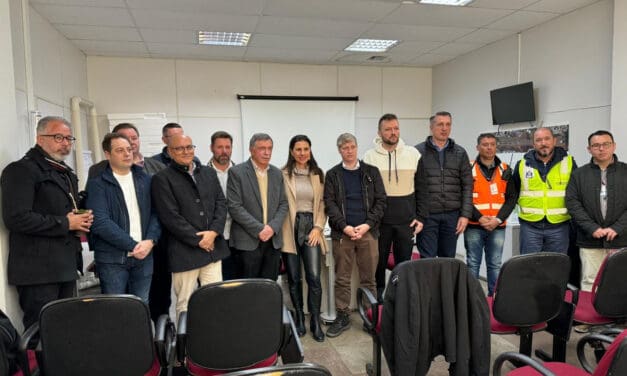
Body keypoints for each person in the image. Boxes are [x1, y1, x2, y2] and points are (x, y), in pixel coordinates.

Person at [1, 116, 93, 329]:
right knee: (41, 330)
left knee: (63, 330)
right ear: (39, 138)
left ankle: (61, 364)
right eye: (58, 137)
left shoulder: (64, 172)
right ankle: (38, 364)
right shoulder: (21, 170)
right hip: (38, 271)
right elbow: (16, 217)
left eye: (69, 138)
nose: (66, 144)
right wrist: (65, 223)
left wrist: (80, 218)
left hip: (66, 265)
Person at [151, 134, 229, 315]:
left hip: (212, 249)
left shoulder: (208, 173)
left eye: (189, 147)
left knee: (215, 300)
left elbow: (221, 204)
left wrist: (214, 232)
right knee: (185, 305)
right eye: (179, 148)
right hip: (184, 253)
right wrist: (199, 239)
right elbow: (170, 216)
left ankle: (212, 341)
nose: (186, 151)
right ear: (170, 151)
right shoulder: (162, 178)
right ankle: (186, 343)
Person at [324, 133, 386, 338]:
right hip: (343, 234)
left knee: (369, 278)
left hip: (368, 233)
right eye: (344, 148)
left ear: (357, 148)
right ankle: (343, 316)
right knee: (341, 277)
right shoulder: (332, 175)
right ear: (339, 151)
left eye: (351, 147)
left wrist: (367, 225)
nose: (348, 151)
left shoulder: (371, 172)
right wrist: (345, 227)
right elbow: (330, 204)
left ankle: (371, 316)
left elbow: (381, 201)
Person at [85, 133, 160, 303]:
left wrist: (150, 241)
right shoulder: (98, 184)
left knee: (141, 306)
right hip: (112, 260)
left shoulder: (146, 180)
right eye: (120, 150)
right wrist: (133, 245)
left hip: (144, 257)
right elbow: (101, 222)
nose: (127, 154)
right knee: (116, 309)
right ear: (107, 154)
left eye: (129, 149)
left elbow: (157, 214)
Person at [363, 113, 427, 299]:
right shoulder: (369, 157)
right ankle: (379, 301)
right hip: (380, 222)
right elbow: (367, 192)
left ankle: (401, 298)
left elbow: (422, 188)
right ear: (379, 132)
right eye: (388, 129)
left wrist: (421, 217)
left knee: (403, 264)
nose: (393, 133)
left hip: (406, 221)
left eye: (396, 128)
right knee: (379, 263)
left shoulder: (413, 154)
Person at [566, 130, 627, 291]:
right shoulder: (578, 174)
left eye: (606, 144)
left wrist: (617, 228)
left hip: (621, 240)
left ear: (614, 146)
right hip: (590, 240)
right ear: (589, 149)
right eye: (596, 145)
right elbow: (572, 203)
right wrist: (592, 228)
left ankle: (618, 316)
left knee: (620, 280)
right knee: (590, 281)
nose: (601, 148)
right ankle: (590, 316)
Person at [280, 135, 327, 342]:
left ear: (310, 150)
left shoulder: (318, 174)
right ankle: (299, 316)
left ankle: (315, 319)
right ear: (291, 152)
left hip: (311, 227)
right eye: (298, 149)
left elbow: (323, 204)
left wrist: (318, 227)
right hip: (289, 227)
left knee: (314, 276)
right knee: (293, 277)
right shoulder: (282, 174)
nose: (302, 153)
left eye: (305, 149)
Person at [227, 133, 288, 280]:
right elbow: (235, 206)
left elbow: (283, 204)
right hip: (248, 241)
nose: (267, 153)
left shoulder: (277, 173)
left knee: (269, 287)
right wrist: (259, 229)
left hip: (272, 241)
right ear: (251, 150)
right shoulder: (237, 172)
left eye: (270, 148)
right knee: (248, 290)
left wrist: (272, 228)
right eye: (262, 148)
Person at [464, 133, 516, 296]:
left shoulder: (506, 169)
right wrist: (478, 217)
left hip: (497, 226)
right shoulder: (467, 168)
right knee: (472, 263)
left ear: (496, 146)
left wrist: (498, 219)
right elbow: (463, 196)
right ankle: (471, 298)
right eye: (485, 144)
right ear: (477, 147)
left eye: (492, 144)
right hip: (473, 225)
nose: (489, 147)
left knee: (495, 264)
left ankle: (494, 298)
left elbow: (512, 198)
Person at [415, 111, 473, 258]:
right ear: (431, 127)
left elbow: (467, 185)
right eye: (440, 124)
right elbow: (412, 185)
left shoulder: (460, 152)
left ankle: (445, 282)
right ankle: (428, 282)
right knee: (427, 259)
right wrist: (416, 215)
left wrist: (465, 215)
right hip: (427, 216)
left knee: (448, 258)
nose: (444, 128)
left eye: (448, 124)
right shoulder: (417, 151)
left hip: (452, 216)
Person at [512, 127, 577, 254]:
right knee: (529, 266)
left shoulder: (569, 163)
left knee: (556, 266)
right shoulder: (522, 164)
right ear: (533, 144)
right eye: (539, 140)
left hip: (559, 226)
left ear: (554, 140)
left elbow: (577, 193)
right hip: (530, 226)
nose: (543, 143)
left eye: (547, 139)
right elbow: (512, 193)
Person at [208, 131, 239, 280]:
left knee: (236, 281)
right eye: (220, 147)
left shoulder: (240, 172)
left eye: (228, 147)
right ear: (211, 148)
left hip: (238, 236)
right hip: (214, 237)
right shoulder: (202, 173)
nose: (224, 151)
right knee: (213, 282)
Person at [88, 123, 165, 178]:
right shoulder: (98, 170)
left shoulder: (159, 167)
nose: (131, 142)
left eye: (134, 138)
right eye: (125, 139)